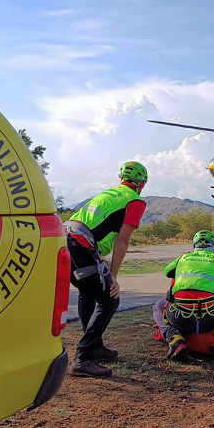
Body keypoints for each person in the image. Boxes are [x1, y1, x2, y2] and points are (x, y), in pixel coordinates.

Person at [66, 161, 148, 377]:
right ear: (142, 183)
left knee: (87, 291)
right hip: (81, 242)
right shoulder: (135, 201)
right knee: (110, 298)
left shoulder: (109, 194)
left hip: (66, 237)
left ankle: (94, 346)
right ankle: (83, 358)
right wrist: (113, 276)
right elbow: (123, 241)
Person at [152, 230, 214, 361]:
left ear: (194, 246)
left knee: (158, 306)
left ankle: (174, 338)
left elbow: (166, 271)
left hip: (179, 317)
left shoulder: (183, 258)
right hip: (211, 318)